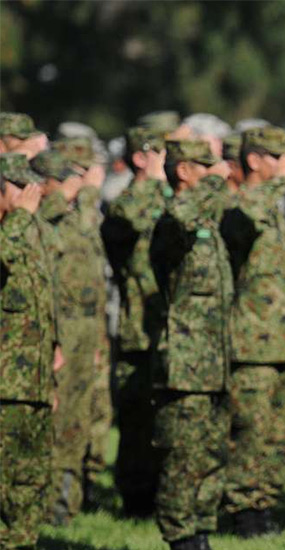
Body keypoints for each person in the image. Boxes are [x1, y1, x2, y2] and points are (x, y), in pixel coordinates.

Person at [149, 139, 233, 550]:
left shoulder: (207, 223)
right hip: (184, 364)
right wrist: (216, 184)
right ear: (184, 172)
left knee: (211, 455)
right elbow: (180, 217)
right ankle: (180, 535)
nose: (216, 175)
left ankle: (201, 531)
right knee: (182, 456)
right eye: (205, 167)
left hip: (214, 362)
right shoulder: (173, 220)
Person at [219, 126, 285, 537]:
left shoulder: (274, 204)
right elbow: (243, 219)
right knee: (249, 430)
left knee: (279, 432)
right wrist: (284, 179)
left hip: (282, 339)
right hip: (251, 341)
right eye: (275, 156)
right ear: (253, 160)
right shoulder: (240, 202)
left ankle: (265, 503)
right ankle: (242, 509)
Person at [36, 140, 109, 525]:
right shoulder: (45, 217)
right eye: (66, 178)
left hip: (85, 327)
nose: (74, 184)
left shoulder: (73, 215)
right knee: (60, 415)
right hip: (60, 327)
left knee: (80, 415)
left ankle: (69, 499)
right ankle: (52, 504)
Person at [101, 126, 171, 517]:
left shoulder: (166, 195)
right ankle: (135, 496)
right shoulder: (127, 202)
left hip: (167, 322)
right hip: (139, 323)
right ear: (141, 157)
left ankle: (162, 490)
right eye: (158, 151)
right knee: (136, 414)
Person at [0, 154, 58, 550]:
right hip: (5, 383)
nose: (28, 196)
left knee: (32, 475)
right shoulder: (11, 232)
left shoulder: (26, 233)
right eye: (19, 188)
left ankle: (22, 543)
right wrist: (20, 217)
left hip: (32, 378)